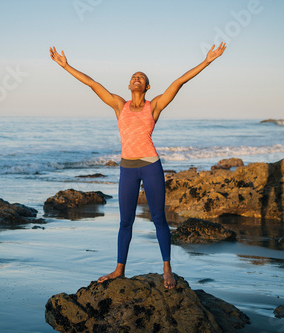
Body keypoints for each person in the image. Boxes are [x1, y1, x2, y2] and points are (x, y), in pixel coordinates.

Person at [49, 43, 226, 289]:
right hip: (127, 168)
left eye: (141, 77)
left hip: (151, 166)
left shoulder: (153, 105)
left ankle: (167, 268)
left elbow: (179, 82)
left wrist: (207, 61)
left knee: (159, 218)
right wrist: (66, 66)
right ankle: (119, 269)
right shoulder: (118, 105)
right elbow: (92, 84)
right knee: (125, 222)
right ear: (129, 84)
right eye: (133, 76)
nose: (136, 78)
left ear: (147, 86)